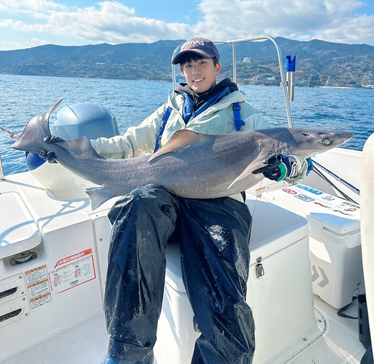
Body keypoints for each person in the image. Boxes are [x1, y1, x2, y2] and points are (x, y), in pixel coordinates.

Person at [95, 37, 308, 364]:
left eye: (202, 63)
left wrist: (289, 165)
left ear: (217, 66)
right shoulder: (168, 111)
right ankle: (127, 353)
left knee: (225, 292)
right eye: (187, 65)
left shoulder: (243, 115)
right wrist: (75, 151)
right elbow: (126, 143)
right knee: (138, 204)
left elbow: (295, 150)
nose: (194, 71)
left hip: (218, 204)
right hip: (168, 200)